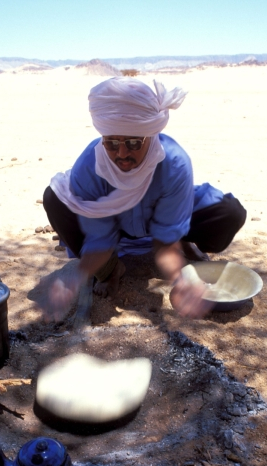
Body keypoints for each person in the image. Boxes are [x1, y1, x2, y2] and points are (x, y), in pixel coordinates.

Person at [42, 77, 246, 321]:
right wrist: (77, 277)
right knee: (54, 198)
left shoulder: (173, 161)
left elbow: (164, 244)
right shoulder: (90, 164)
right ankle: (110, 271)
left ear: (150, 135)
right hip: (115, 224)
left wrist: (180, 280)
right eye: (112, 143)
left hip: (161, 216)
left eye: (133, 142)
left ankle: (184, 241)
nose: (122, 153)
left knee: (229, 213)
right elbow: (99, 238)